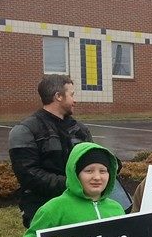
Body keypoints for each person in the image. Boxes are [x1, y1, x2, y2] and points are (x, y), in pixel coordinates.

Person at [8, 74, 93, 228]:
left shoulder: (80, 129)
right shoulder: (25, 130)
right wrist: (72, 184)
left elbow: (92, 162)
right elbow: (28, 174)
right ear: (58, 96)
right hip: (41, 207)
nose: (75, 100)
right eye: (72, 95)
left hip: (80, 203)